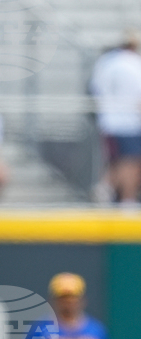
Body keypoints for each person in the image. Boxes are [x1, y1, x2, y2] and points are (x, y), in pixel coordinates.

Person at [91, 30, 141, 207]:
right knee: (131, 162)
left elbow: (95, 89)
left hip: (109, 121)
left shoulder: (105, 62)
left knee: (115, 162)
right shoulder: (133, 64)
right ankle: (127, 200)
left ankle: (105, 190)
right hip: (129, 122)